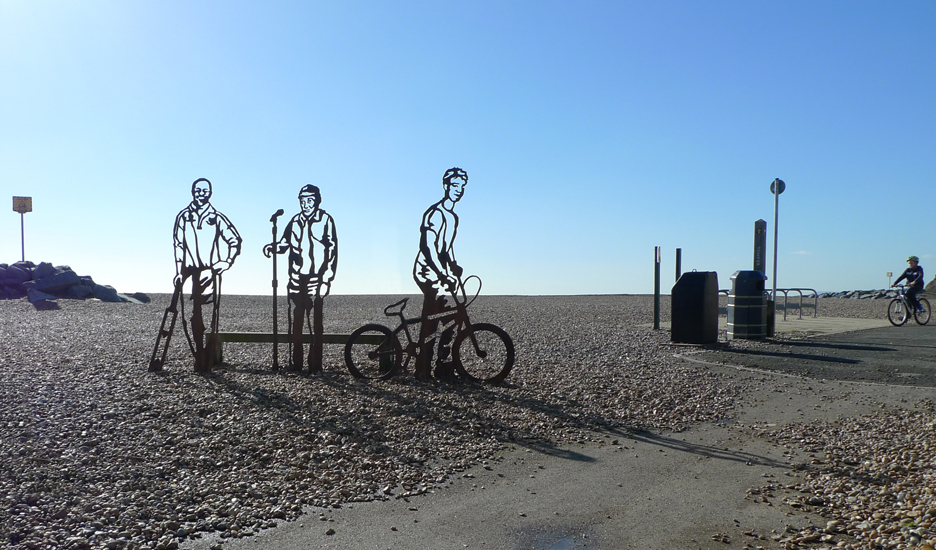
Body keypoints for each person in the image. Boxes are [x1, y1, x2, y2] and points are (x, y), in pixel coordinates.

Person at [264, 184, 338, 373]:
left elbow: (332, 251)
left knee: (315, 326)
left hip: (316, 279)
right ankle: (295, 364)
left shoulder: (325, 220)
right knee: (296, 324)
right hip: (297, 279)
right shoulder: (294, 221)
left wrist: (326, 279)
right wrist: (273, 246)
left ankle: (315, 365)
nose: (306, 204)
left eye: (310, 200)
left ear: (317, 201)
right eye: (302, 200)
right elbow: (284, 243)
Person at [173, 178, 242, 372]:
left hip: (209, 273)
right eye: (198, 190)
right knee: (192, 316)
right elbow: (178, 245)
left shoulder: (217, 217)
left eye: (205, 191)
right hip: (189, 272)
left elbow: (234, 240)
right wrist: (179, 271)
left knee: (210, 316)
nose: (201, 194)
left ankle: (206, 356)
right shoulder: (184, 217)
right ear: (192, 192)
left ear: (210, 193)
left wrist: (226, 262)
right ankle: (198, 354)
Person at [413, 167, 468, 381]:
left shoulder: (452, 217)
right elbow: (428, 248)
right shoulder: (435, 214)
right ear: (446, 186)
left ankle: (443, 366)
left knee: (452, 316)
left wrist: (453, 266)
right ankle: (423, 368)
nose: (459, 190)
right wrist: (442, 274)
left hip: (442, 272)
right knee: (433, 318)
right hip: (427, 272)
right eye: (455, 186)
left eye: (462, 187)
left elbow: (447, 248)